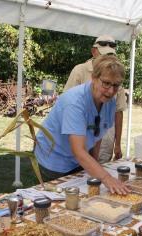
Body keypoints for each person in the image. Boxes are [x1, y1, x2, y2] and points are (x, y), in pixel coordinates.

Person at [34, 55, 130, 195]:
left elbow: (98, 135)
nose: (110, 91)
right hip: (54, 159)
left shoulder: (109, 102)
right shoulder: (74, 102)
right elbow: (78, 151)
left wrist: (95, 165)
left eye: (116, 85)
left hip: (78, 160)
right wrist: (106, 178)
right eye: (106, 83)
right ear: (94, 78)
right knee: (59, 203)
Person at [64, 35, 127, 163]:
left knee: (99, 171)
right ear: (93, 51)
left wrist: (118, 144)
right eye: (103, 54)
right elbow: (67, 105)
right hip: (80, 134)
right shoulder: (80, 70)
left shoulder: (116, 74)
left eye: (110, 55)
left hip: (105, 136)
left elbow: (118, 112)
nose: (107, 58)